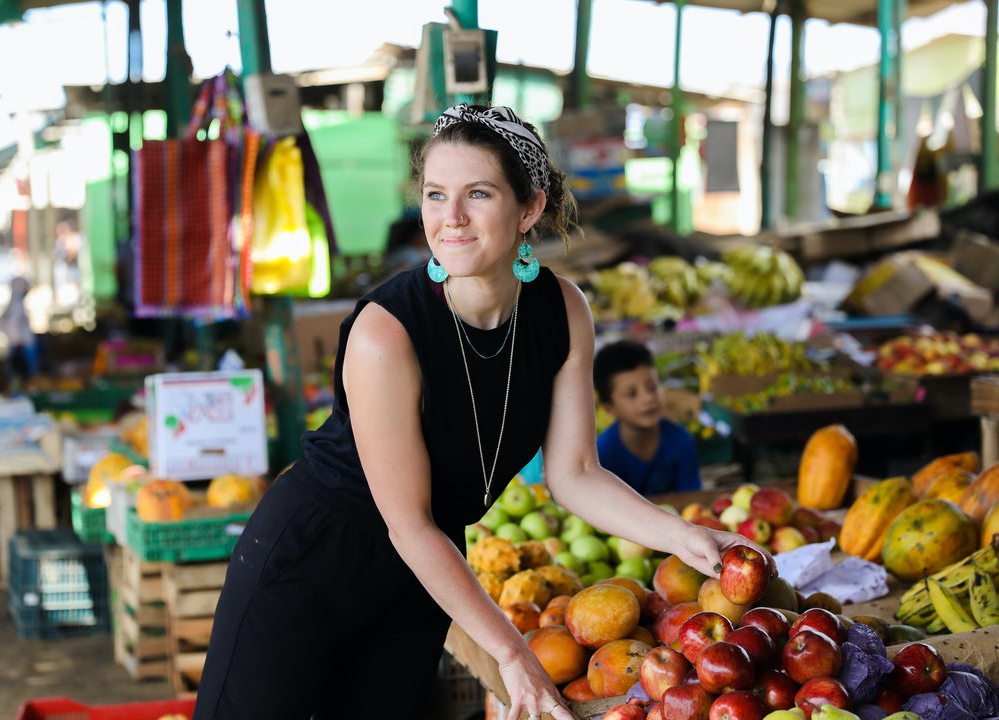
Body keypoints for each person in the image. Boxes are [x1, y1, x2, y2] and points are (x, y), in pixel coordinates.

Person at [192, 104, 773, 720]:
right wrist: (512, 651)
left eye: (478, 193)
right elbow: (408, 523)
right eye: (437, 194)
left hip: (422, 576)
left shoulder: (562, 309)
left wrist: (683, 537)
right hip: (311, 561)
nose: (453, 218)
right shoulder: (386, 332)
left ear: (529, 208)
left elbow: (574, 472)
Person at [593, 339, 702, 495]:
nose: (648, 398)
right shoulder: (603, 455)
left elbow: (692, 500)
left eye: (652, 388)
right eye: (632, 394)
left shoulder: (681, 440)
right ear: (609, 407)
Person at [0, 276, 39, 385]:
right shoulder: (16, 305)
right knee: (23, 375)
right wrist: (17, 341)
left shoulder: (15, 303)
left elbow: (2, 322)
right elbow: (12, 325)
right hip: (22, 345)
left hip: (19, 344)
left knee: (19, 374)